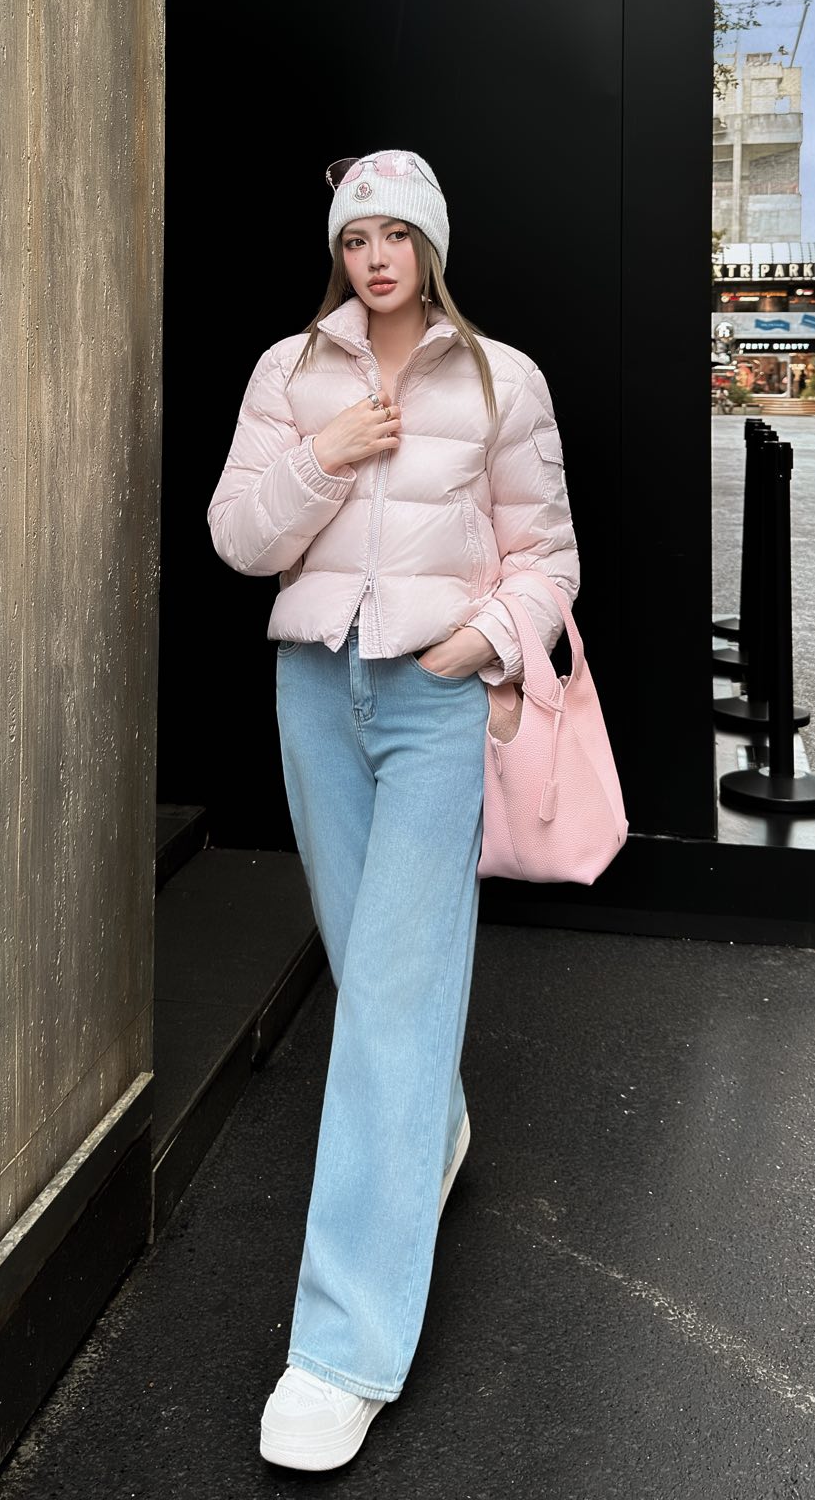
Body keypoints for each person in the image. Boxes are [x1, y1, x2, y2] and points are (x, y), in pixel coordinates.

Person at [206, 148, 580, 1473]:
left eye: (396, 236)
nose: (375, 258)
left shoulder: (500, 380)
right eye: (355, 238)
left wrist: (480, 643)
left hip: (431, 705)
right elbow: (239, 538)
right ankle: (438, 1123)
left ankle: (344, 1350)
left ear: (431, 247)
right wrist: (324, 457)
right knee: (373, 974)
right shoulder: (288, 371)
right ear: (338, 251)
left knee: (394, 992)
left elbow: (547, 557)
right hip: (317, 695)